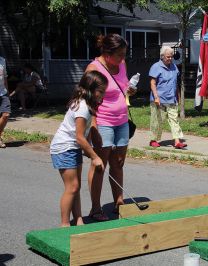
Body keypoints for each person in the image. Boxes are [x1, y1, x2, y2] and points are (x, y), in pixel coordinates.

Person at [85, 33, 136, 221]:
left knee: (119, 162)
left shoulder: (121, 64)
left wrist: (130, 89)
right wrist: (94, 126)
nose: (123, 59)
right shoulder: (93, 68)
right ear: (107, 53)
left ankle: (119, 202)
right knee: (100, 165)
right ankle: (96, 208)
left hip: (122, 121)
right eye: (119, 55)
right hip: (103, 122)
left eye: (124, 54)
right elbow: (87, 100)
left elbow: (124, 86)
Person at [50, 71, 106, 227]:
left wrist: (89, 149)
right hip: (64, 147)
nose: (102, 96)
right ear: (90, 89)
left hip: (73, 147)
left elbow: (84, 134)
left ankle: (79, 220)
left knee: (76, 187)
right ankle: (64, 225)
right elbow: (79, 137)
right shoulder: (82, 107)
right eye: (100, 92)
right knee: (72, 187)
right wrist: (94, 156)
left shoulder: (86, 105)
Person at [148, 46, 187, 149]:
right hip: (159, 99)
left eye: (171, 56)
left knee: (174, 119)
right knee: (157, 120)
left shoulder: (174, 67)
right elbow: (152, 83)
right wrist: (156, 97)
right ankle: (153, 140)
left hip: (171, 98)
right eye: (168, 57)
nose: (170, 58)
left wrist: (177, 95)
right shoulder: (156, 67)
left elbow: (175, 83)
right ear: (162, 56)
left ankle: (177, 141)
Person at [0, 56, 10, 148]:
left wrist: (7, 91)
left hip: (3, 92)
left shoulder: (2, 60)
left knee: (6, 115)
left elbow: (5, 77)